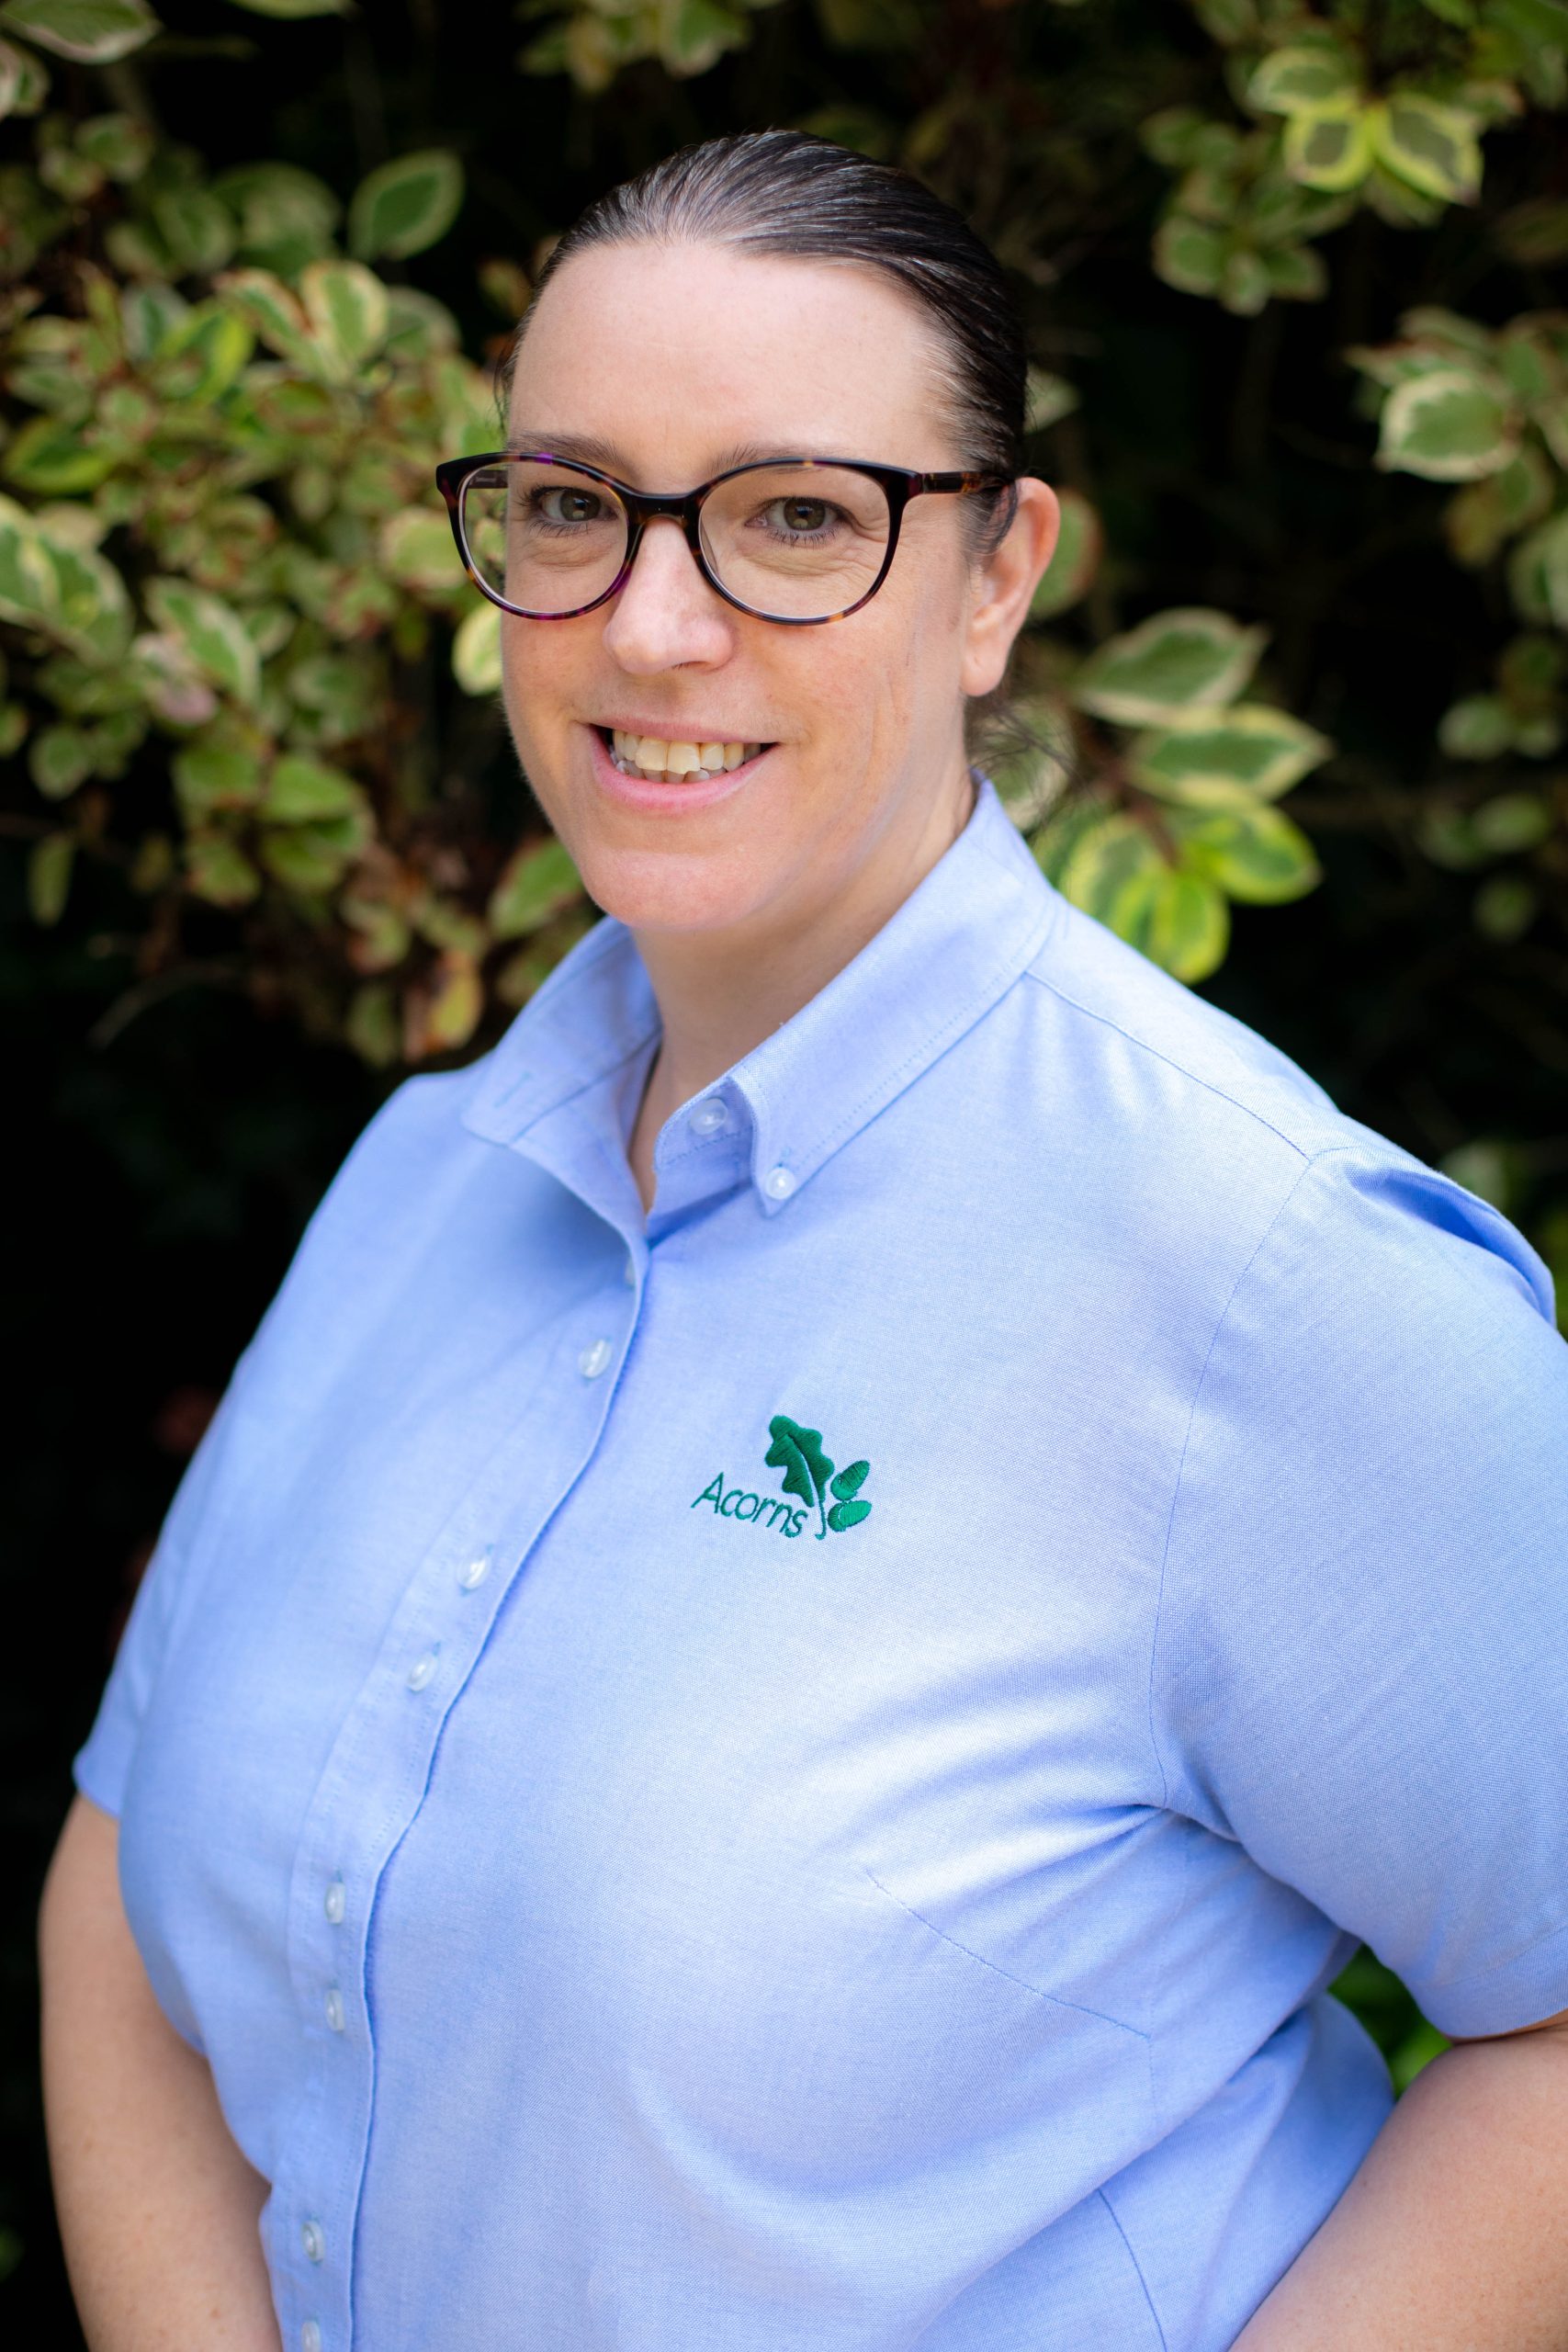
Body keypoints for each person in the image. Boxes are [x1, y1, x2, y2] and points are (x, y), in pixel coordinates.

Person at [39, 130, 1568, 2352]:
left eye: (790, 519)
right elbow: (123, 1879)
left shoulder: (1271, 1280)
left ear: (991, 575)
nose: (650, 625)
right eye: (569, 504)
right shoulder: (420, 1175)